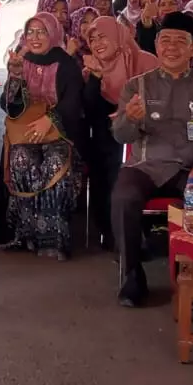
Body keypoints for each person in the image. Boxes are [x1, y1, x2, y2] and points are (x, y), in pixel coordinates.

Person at [109, 12, 193, 306]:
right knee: (123, 197)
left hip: (190, 168)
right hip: (145, 167)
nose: (172, 47)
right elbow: (120, 137)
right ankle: (132, 275)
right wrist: (130, 119)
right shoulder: (136, 87)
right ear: (156, 45)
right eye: (165, 40)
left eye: (180, 41)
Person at [0, 12, 87, 262]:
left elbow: (74, 103)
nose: (35, 37)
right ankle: (26, 234)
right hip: (27, 132)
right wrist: (16, 77)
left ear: (52, 33)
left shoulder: (66, 64)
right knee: (21, 159)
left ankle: (54, 239)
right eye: (30, 32)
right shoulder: (22, 61)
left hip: (61, 134)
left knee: (54, 162)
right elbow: (9, 106)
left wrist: (50, 119)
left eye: (41, 31)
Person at [80, 15, 157, 250]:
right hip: (108, 137)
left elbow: (160, 100)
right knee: (106, 162)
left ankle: (144, 230)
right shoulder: (92, 68)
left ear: (117, 36)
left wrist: (129, 113)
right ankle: (111, 231)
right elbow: (90, 111)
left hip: (147, 132)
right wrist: (94, 78)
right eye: (92, 39)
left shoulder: (145, 62)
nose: (97, 43)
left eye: (103, 36)